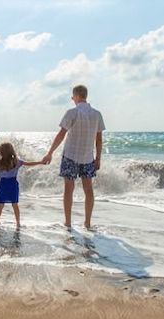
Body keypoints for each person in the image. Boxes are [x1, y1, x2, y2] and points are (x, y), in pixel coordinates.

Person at [41, 85, 105, 229]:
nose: (72, 99)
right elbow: (99, 139)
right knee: (88, 190)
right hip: (88, 157)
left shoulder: (72, 112)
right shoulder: (97, 114)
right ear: (85, 96)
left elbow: (61, 134)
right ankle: (87, 223)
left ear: (76, 96)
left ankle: (68, 223)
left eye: (72, 97)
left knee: (68, 190)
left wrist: (50, 152)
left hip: (70, 155)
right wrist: (98, 158)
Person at [0, 142, 45, 229]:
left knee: (0, 205)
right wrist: (41, 162)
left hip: (3, 185)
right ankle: (18, 224)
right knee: (15, 205)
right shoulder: (16, 162)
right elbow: (29, 163)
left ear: (1, 152)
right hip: (13, 185)